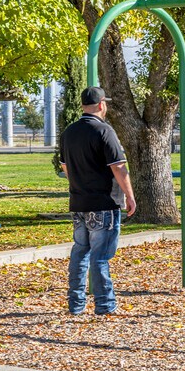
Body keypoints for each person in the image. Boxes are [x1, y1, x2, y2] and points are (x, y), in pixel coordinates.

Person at [59, 86, 136, 315]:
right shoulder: (104, 131)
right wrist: (130, 196)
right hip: (103, 202)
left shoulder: (69, 133)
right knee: (100, 256)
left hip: (79, 202)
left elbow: (65, 167)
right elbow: (118, 167)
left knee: (80, 251)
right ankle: (104, 304)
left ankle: (76, 304)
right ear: (102, 104)